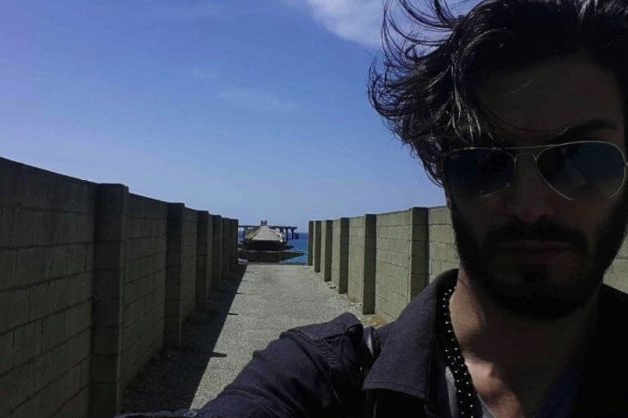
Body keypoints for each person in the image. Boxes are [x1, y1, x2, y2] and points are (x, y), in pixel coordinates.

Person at [119, 0, 628, 416]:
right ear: (445, 176)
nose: (531, 206)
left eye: (583, 160)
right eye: (485, 163)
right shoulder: (322, 378)